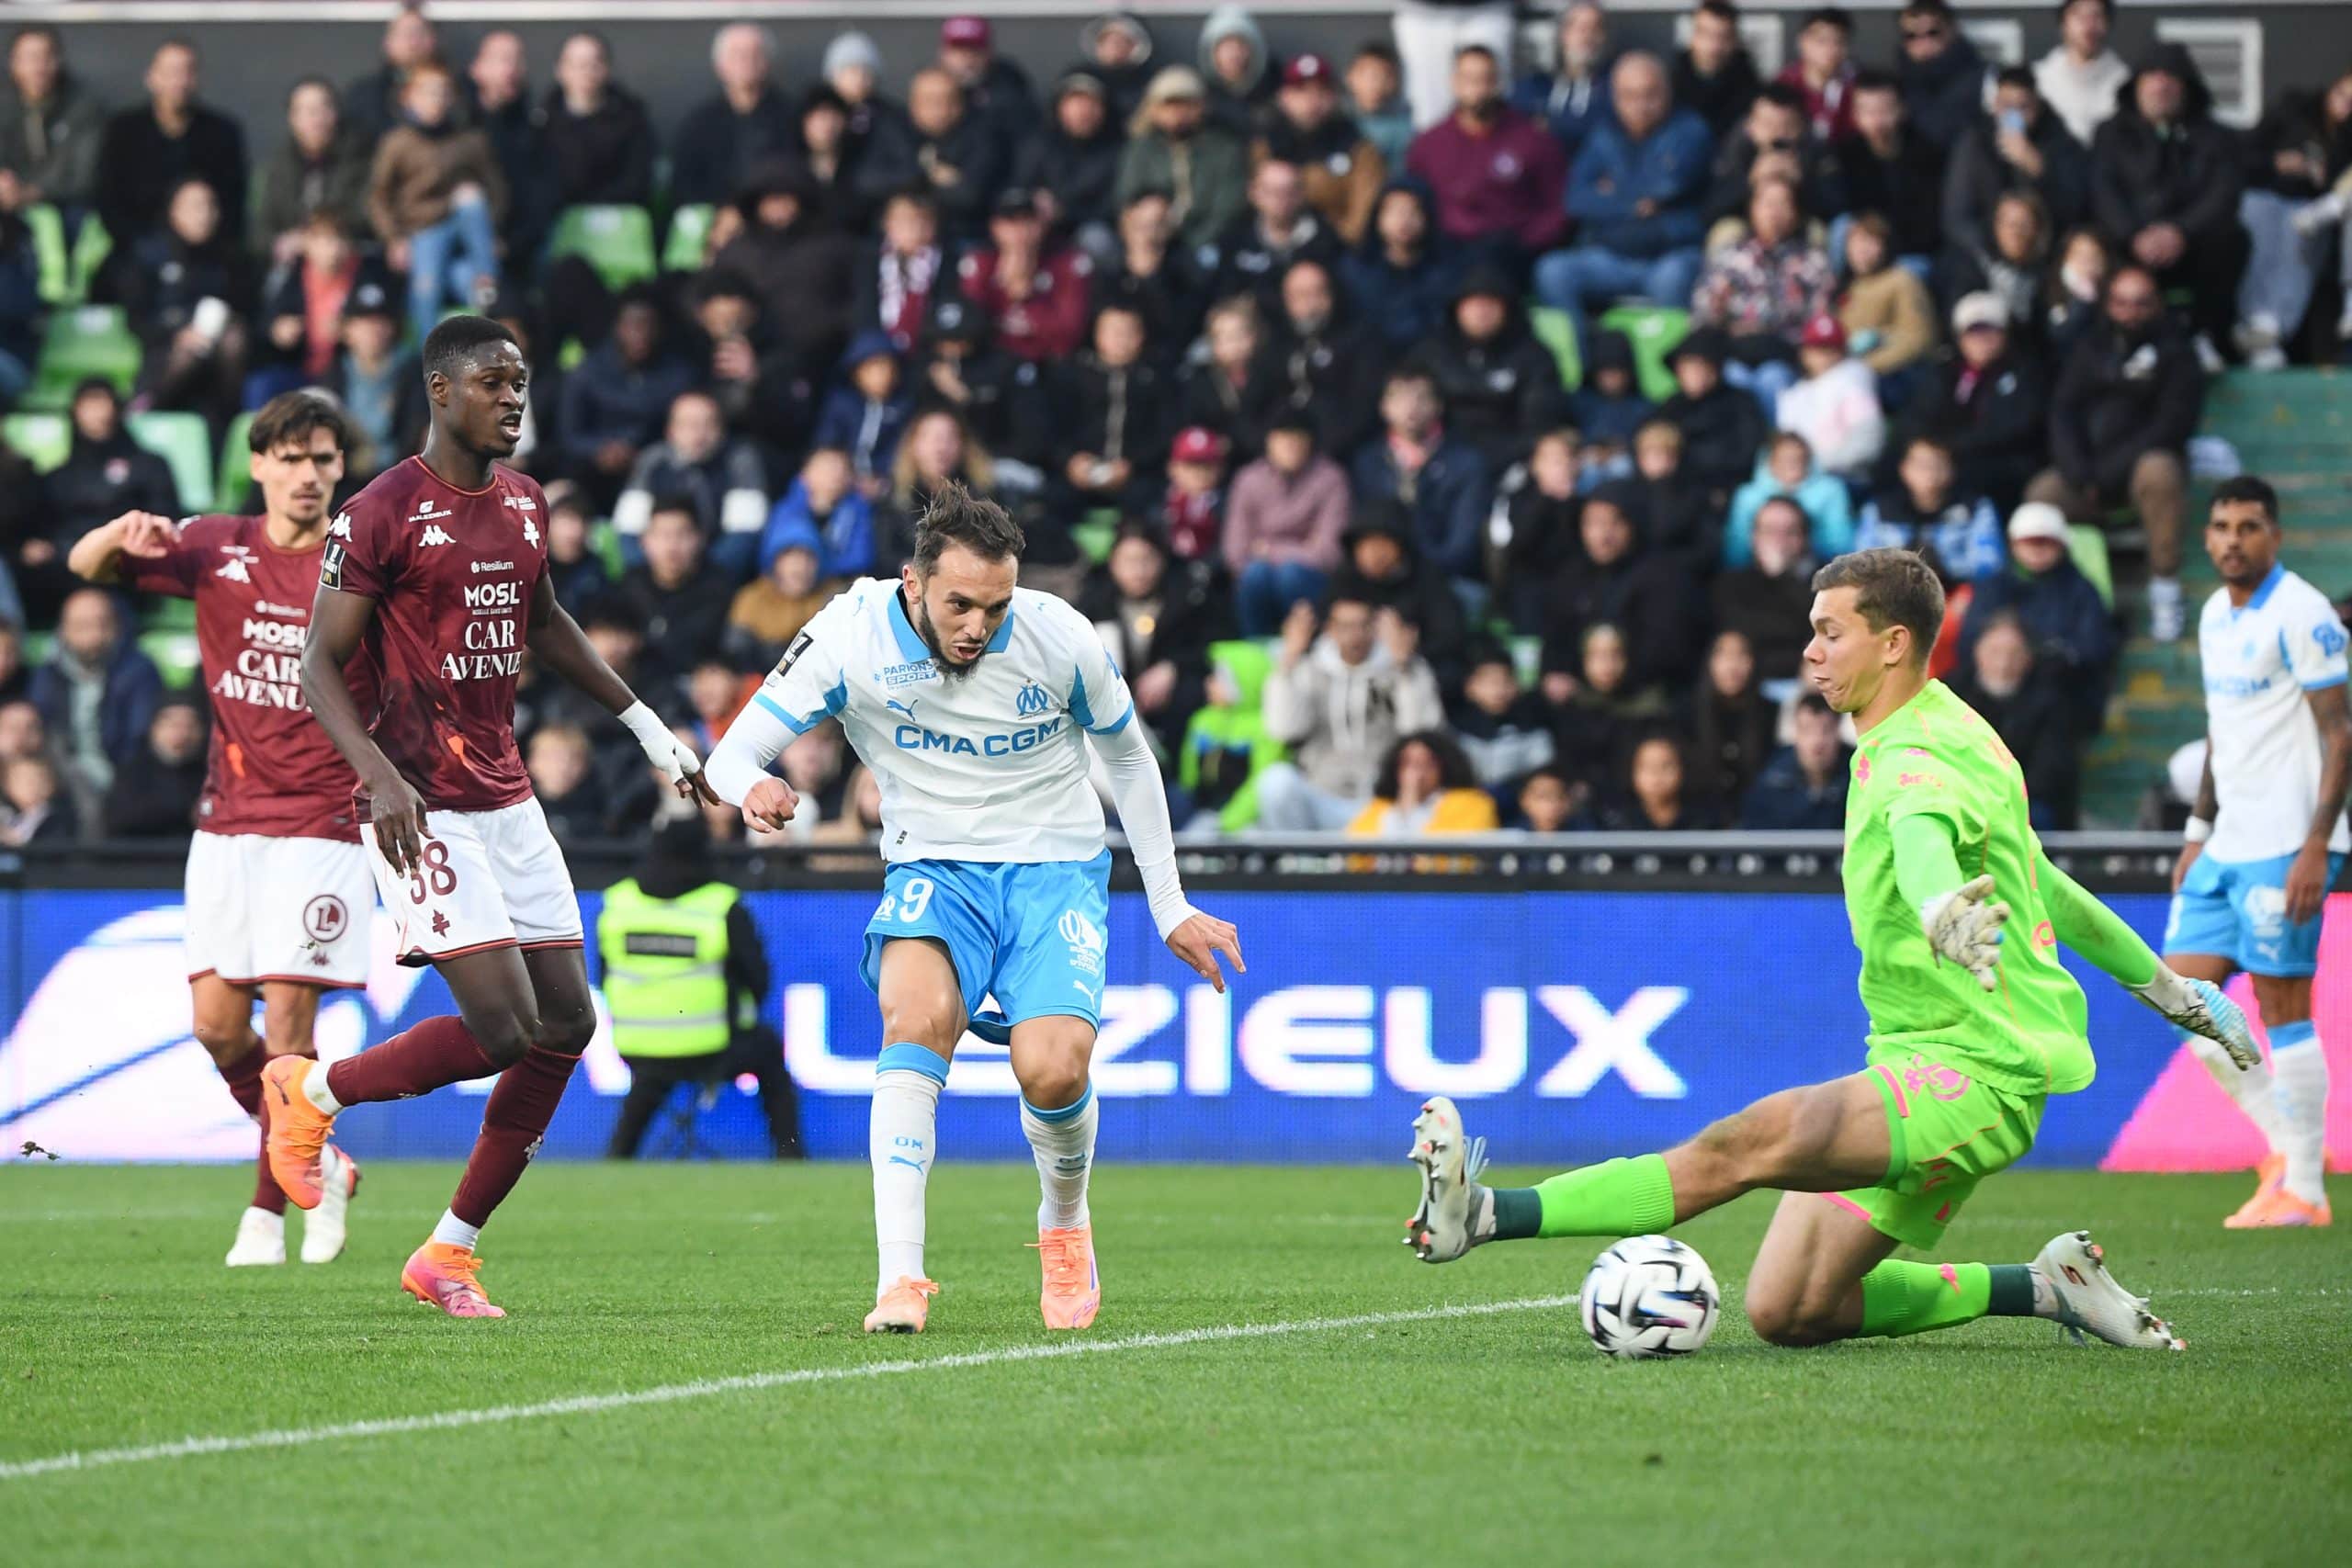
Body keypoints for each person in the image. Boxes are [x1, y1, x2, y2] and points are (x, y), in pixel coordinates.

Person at [1406, 546, 2258, 1355]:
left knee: (1756, 1139)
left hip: (1976, 1074)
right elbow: (2047, 884)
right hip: (1920, 1054)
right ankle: (2044, 1285)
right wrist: (2173, 990)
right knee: (1791, 1308)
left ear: (1893, 645)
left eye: (1830, 631)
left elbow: (1924, 837)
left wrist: (1936, 905)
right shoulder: (1960, 729)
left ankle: (1483, 1213)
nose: (1810, 651)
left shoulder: (1912, 759)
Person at [704, 486, 1238, 1332]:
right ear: (912, 583)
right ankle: (900, 1280)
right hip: (933, 865)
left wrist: (1169, 904)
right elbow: (731, 754)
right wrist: (753, 785)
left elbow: (1131, 761)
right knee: (912, 1019)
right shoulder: (848, 634)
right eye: (960, 603)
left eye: (995, 606)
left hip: (1054, 867)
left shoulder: (1060, 634)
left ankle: (1063, 1225)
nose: (979, 626)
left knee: (1053, 1068)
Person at [274, 315, 716, 1319]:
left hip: (506, 796)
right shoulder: (380, 511)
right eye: (492, 383)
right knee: (503, 1029)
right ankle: (311, 1094)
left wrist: (644, 722)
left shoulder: (523, 501)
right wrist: (377, 773)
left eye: (519, 383)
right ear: (439, 390)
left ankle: (449, 1252)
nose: (513, 398)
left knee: (567, 1019)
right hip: (418, 806)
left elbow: (544, 618)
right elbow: (316, 662)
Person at [62, 390, 372, 1269]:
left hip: (322, 818)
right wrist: (120, 533)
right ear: (260, 465)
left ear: (338, 468)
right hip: (227, 820)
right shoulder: (217, 544)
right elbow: (87, 568)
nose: (308, 474)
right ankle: (322, 1162)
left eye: (323, 459)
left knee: (288, 1034)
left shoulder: (361, 559)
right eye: (292, 457)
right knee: (214, 1028)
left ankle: (267, 1213)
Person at [2167, 477, 2350, 1228]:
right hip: (2228, 841)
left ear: (2273, 535)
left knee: (2282, 1011)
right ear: (2206, 537)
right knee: (2178, 996)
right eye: (2220, 526)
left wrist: (2316, 845)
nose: (2232, 539)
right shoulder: (2215, 613)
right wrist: (2197, 830)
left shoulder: (2304, 614)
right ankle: (2283, 1147)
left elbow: (2341, 733)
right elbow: (2223, 726)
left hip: (2287, 842)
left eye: (2248, 526)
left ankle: (2305, 1189)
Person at [600, 816, 801, 1160]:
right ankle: (790, 1153)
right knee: (767, 1050)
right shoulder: (721, 905)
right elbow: (758, 979)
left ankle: (619, 1154)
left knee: (651, 1081)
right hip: (710, 1046)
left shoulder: (619, 902)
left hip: (637, 1047)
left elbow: (603, 975)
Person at [2025, 265, 2202, 639]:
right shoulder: (2089, 346)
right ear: (2108, 304)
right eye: (2121, 302)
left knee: (2160, 471)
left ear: (2156, 305)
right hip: (2086, 471)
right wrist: (2077, 470)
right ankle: (2059, 600)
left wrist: (2104, 473)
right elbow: (2063, 410)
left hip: (2138, 468)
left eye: (2140, 303)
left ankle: (2165, 590)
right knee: (2041, 498)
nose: (2130, 312)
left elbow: (2171, 425)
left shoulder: (2178, 352)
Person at [1534, 52, 1713, 356]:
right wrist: (1634, 204)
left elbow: (1666, 187)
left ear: (1667, 92)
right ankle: (1585, 364)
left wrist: (1612, 192)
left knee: (1674, 278)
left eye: (1650, 94)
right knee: (1553, 271)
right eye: (1629, 96)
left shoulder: (1691, 130)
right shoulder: (1604, 134)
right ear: (1615, 97)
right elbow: (1576, 199)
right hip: (1610, 255)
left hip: (1666, 254)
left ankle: (1668, 372)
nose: (1640, 105)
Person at [2087, 45, 2247, 355]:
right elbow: (2101, 191)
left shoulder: (2216, 137)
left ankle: (2206, 337)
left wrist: (2180, 231)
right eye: (2152, 77)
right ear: (2137, 86)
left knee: (2232, 238)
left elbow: (2224, 193)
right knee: (2091, 246)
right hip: (2129, 244)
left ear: (2186, 87)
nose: (2161, 86)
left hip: (2192, 246)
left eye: (2171, 78)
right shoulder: (2110, 134)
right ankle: (2111, 344)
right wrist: (2133, 235)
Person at [1259, 592, 1446, 829]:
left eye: (1363, 626)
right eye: (1345, 626)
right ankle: (1296, 864)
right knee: (1275, 782)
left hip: (1382, 802)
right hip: (1321, 794)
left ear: (1376, 628)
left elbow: (1421, 736)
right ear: (1330, 629)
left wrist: (1403, 670)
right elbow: (1282, 729)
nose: (1355, 635)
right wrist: (1288, 662)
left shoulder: (1406, 668)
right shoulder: (1309, 668)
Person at [368, 62, 506, 347]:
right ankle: (429, 358)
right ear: (409, 98)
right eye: (427, 92)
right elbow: (378, 196)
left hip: (466, 227)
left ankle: (489, 292)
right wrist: (394, 239)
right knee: (430, 289)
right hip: (423, 229)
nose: (436, 100)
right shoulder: (397, 143)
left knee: (471, 200)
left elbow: (497, 189)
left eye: (442, 92)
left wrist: (493, 230)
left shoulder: (469, 140)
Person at [1403, 46, 1566, 276]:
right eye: (1469, 79)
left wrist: (1528, 241)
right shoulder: (1428, 144)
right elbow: (1413, 203)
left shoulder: (1533, 140)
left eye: (1486, 79)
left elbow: (1557, 207)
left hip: (1510, 253)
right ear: (1454, 83)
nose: (1478, 88)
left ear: (1498, 83)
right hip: (1446, 253)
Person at [1959, 502, 2114, 732]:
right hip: (1989, 692)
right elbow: (1968, 643)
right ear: (2013, 544)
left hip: (2057, 693)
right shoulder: (1992, 587)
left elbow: (2093, 649)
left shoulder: (2081, 591)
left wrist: (2045, 657)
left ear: (2062, 546)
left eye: (2046, 542)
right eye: (2029, 541)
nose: (2037, 548)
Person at [2234, 72, 2352, 367]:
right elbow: (2242, 157)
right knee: (2259, 217)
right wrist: (2278, 163)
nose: (2346, 105)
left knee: (2305, 230)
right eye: (2343, 94)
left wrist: (2324, 179)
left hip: (2313, 208)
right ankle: (2254, 324)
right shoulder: (2293, 110)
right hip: (2266, 193)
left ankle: (2274, 330)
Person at [1898, 291, 2046, 515]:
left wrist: (1952, 447)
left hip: (1998, 461)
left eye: (1990, 330)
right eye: (1973, 331)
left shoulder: (2024, 372)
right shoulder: (1943, 372)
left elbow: (2015, 427)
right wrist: (1927, 447)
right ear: (1960, 337)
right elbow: (1917, 415)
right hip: (1942, 454)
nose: (1982, 338)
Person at [1408, 266, 1564, 472]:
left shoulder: (1534, 356)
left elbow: (1540, 423)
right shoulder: (1431, 353)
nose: (1481, 311)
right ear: (1457, 308)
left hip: (1515, 461)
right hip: (1439, 459)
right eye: (1473, 303)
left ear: (1507, 309)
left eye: (1490, 303)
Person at [93, 39, 246, 245]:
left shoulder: (222, 133)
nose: (179, 81)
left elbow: (233, 203)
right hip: (137, 249)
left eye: (187, 72)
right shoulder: (124, 131)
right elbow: (108, 199)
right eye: (171, 72)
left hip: (207, 253)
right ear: (151, 77)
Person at [613, 389, 772, 577]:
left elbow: (743, 538)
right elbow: (628, 532)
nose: (698, 433)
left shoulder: (740, 460)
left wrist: (702, 581)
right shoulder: (652, 462)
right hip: (656, 574)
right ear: (670, 431)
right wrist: (656, 579)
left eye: (708, 424)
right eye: (688, 424)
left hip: (717, 578)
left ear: (721, 430)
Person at [1941, 67, 2088, 266]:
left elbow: (2073, 210)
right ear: (1995, 106)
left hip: (2043, 255)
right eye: (2007, 106)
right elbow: (1957, 216)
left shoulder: (2060, 142)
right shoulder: (1975, 142)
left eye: (2023, 107)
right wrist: (1995, 251)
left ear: (2037, 105)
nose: (2014, 115)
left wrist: (2039, 172)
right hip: (1985, 255)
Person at [1351, 367, 1487, 580]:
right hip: (1380, 579)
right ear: (1384, 407)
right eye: (1400, 398)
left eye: (1421, 397)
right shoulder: (1367, 462)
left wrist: (1415, 574)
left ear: (1438, 406)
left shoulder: (1466, 464)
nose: (1411, 407)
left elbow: (1463, 546)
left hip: (1448, 579)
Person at [1946, 608, 2077, 828]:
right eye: (1995, 652)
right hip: (1963, 799)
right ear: (1978, 651)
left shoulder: (2051, 702)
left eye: (2014, 654)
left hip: (2025, 803)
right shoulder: (1950, 694)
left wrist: (2001, 799)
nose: (2003, 665)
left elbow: (2049, 772)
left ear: (2028, 658)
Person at [1224, 410, 1348, 637]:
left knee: (1290, 574)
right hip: (1260, 577)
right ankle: (1258, 648)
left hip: (1309, 578)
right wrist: (1301, 547)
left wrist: (1268, 549)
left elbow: (1329, 552)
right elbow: (1235, 552)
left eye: (1297, 438)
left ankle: (1306, 645)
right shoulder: (1248, 479)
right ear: (1269, 441)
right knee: (1254, 574)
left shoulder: (1330, 478)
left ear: (1310, 442)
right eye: (1282, 438)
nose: (1290, 445)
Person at [1114, 66, 1249, 252]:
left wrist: (1194, 245)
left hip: (1209, 241)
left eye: (1186, 104)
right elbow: (1127, 199)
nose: (1178, 113)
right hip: (1155, 238)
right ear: (1153, 109)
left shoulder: (1224, 150)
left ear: (1202, 107)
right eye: (1169, 105)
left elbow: (1227, 210)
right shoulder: (1142, 149)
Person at [1261, 53, 1385, 245]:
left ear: (1334, 97)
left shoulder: (1358, 147)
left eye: (1322, 90)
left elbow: (1364, 217)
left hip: (1337, 251)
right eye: (1301, 90)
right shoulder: (1265, 145)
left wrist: (1328, 245)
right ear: (1284, 97)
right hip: (1274, 247)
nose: (1312, 100)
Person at [669, 24, 795, 210]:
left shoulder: (792, 117)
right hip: (714, 221)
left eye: (756, 54)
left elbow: (798, 175)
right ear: (719, 65)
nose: (747, 61)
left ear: (768, 62)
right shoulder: (698, 123)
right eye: (737, 55)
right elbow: (684, 185)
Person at [250, 78, 372, 266]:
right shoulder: (281, 164)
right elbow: (263, 230)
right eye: (308, 111)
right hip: (294, 267)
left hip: (348, 261)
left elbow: (364, 216)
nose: (317, 118)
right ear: (293, 118)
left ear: (336, 113)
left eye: (325, 108)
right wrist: (282, 243)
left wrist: (319, 237)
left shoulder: (361, 158)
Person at [1857, 434, 2003, 582]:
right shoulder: (1879, 509)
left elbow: (1991, 563)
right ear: (1904, 468)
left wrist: (1943, 566)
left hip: (1957, 592)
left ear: (1952, 469)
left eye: (1938, 466)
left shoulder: (1975, 508)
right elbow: (1860, 563)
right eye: (1921, 466)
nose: (1930, 475)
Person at [1340, 175, 1458, 354]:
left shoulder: (1447, 270)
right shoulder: (1354, 270)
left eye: (1413, 211)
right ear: (1378, 217)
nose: (1404, 220)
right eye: (1395, 211)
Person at [0, 27, 107, 217]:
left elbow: (82, 174)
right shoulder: (5, 104)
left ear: (58, 61)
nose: (38, 67)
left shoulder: (82, 106)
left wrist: (30, 192)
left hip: (65, 206)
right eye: (30, 58)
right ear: (14, 63)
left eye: (45, 57)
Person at [541, 31, 653, 211]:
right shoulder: (541, 122)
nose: (587, 72)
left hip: (615, 220)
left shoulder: (631, 120)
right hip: (555, 223)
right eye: (578, 64)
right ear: (560, 70)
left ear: (607, 68)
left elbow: (637, 182)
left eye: (595, 63)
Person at [1714, 497, 1822, 682]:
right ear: (1754, 537)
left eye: (1790, 532)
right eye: (1770, 531)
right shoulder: (1730, 583)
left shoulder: (1822, 585)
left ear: (1804, 539)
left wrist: (1783, 577)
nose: (1779, 540)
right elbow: (1740, 632)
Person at [1775, 314, 1883, 479]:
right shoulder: (1796, 393)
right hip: (1797, 477)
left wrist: (1816, 466)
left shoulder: (1854, 381)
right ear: (1804, 352)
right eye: (1818, 348)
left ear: (1843, 351)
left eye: (1832, 348)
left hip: (1841, 475)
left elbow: (1868, 441)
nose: (1825, 355)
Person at [1347, 729, 1498, 835]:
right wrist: (1405, 804)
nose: (1416, 773)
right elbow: (1356, 853)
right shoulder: (1379, 808)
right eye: (1408, 763)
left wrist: (1413, 809)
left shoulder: (1472, 804)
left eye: (1426, 764)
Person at [1512, 4, 1612, 161]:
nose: (1587, 36)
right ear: (1563, 34)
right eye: (1579, 28)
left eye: (1595, 28)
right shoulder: (1535, 86)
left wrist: (1550, 126)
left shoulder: (1615, 87)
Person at [1742, 692, 1850, 829]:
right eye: (1807, 730)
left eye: (1826, 730)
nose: (1817, 741)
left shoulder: (1861, 776)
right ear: (1795, 733)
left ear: (1838, 731)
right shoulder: (1771, 781)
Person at [1892, 0, 1986, 156]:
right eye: (1910, 35)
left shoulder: (1981, 80)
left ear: (1952, 30)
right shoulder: (1895, 83)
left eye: (1932, 33)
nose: (1921, 42)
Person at [2033, 0, 2130, 149]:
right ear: (2063, 24)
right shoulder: (2039, 79)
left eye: (2096, 16)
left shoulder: (2126, 83)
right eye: (2079, 16)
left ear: (2107, 24)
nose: (2089, 25)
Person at [1673, 0, 1760, 140]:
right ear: (1693, 36)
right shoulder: (1669, 84)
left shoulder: (1753, 93)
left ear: (1735, 41)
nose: (1714, 46)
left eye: (1723, 37)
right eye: (1705, 34)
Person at [1778, 6, 1856, 144]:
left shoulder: (1856, 86)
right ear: (1802, 42)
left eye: (1839, 42)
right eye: (1822, 41)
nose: (1831, 50)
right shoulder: (1785, 83)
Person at [1198, 6, 1275, 138]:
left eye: (1241, 45)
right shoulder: (1200, 96)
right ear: (1211, 52)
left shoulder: (1274, 91)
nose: (1234, 54)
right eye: (1226, 46)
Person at [1345, 42, 1415, 168]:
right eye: (1368, 75)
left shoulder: (1407, 128)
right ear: (1350, 77)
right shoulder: (1338, 121)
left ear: (1395, 81)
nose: (1375, 83)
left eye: (1384, 76)